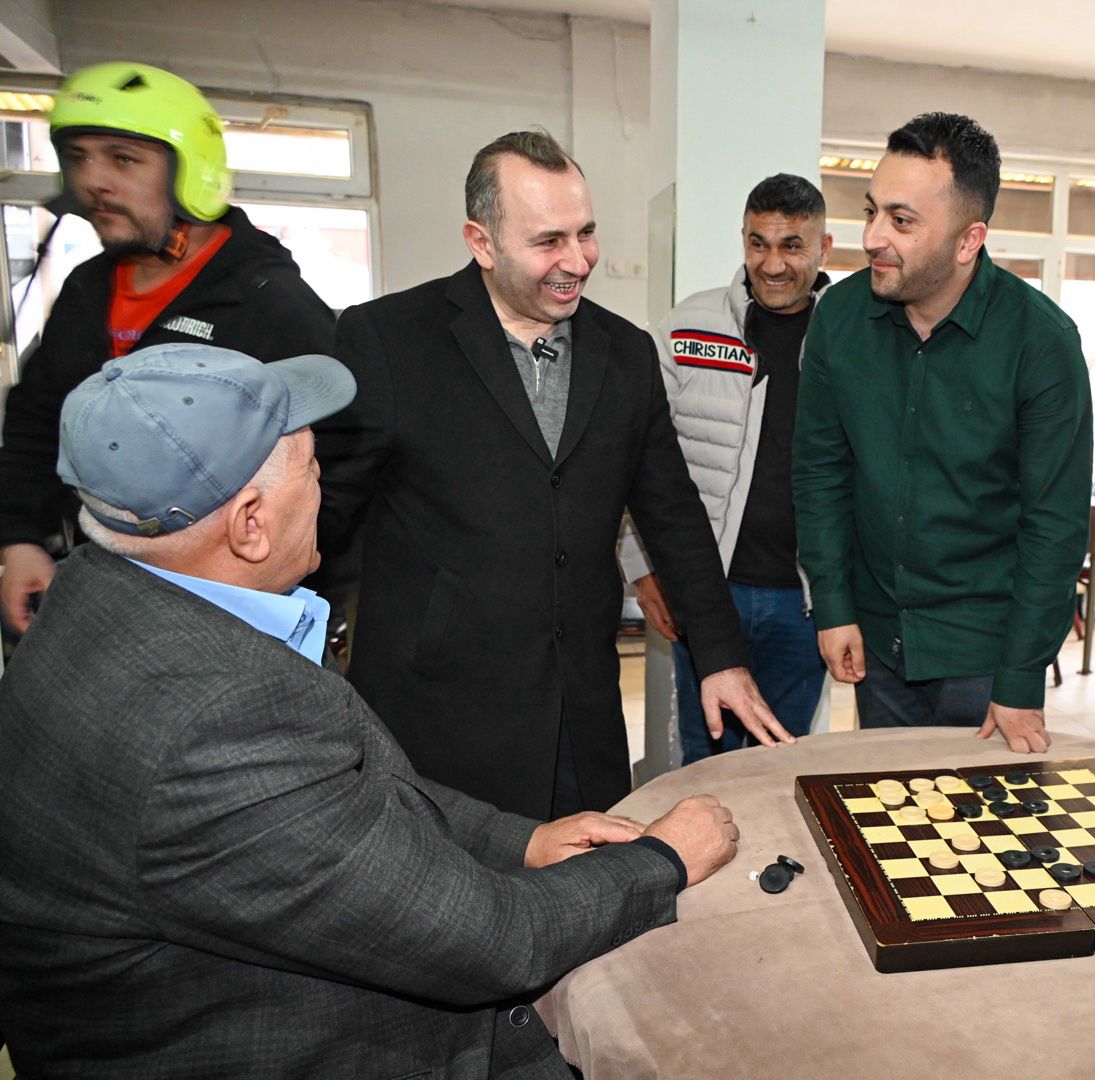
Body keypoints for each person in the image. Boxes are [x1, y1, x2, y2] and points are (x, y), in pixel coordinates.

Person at [0, 344, 739, 1078]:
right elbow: (492, 943)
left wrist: (523, 841)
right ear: (250, 524)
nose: (325, 487)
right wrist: (663, 860)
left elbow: (342, 799)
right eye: (313, 469)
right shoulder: (214, 720)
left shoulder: (94, 594)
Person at [316, 130, 790, 821]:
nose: (577, 261)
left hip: (581, 710)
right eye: (548, 241)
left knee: (592, 879)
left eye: (586, 233)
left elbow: (673, 512)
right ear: (481, 242)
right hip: (437, 712)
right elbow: (324, 510)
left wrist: (720, 656)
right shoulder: (387, 340)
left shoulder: (625, 352)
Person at [0, 61, 334, 635]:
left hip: (224, 603)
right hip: (96, 581)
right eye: (79, 157)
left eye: (124, 159)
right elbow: (37, 421)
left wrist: (264, 578)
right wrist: (19, 540)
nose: (94, 181)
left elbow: (333, 461)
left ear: (191, 172)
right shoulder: (85, 289)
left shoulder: (267, 301)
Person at [793, 112, 1091, 754]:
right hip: (877, 642)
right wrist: (834, 604)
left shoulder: (1042, 344)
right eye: (872, 211)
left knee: (984, 816)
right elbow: (820, 472)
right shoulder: (838, 319)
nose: (872, 237)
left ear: (967, 240)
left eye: (901, 221)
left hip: (987, 654)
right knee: (883, 807)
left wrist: (1021, 676)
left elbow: (1055, 525)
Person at [620, 173, 832, 763]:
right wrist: (641, 568)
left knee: (785, 759)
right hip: (709, 592)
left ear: (824, 247)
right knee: (706, 756)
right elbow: (634, 454)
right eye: (758, 243)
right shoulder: (687, 325)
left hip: (805, 601)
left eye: (792, 245)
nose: (772, 264)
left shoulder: (850, 335)